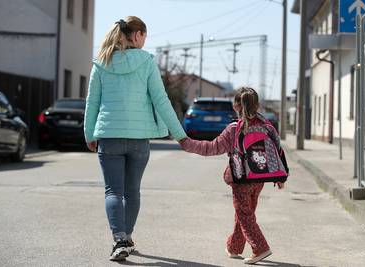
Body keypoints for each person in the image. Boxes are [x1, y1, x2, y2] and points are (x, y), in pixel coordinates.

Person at [84, 16, 187, 261]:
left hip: (109, 137)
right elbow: (161, 101)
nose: (145, 41)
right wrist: (180, 135)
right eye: (145, 36)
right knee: (132, 192)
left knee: (112, 192)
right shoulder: (147, 62)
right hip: (139, 139)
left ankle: (120, 239)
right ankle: (126, 238)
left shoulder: (101, 63)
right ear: (137, 35)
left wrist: (89, 134)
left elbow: (92, 103)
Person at [179, 87, 285, 265]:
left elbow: (211, 148)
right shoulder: (267, 126)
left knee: (244, 214)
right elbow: (277, 151)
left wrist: (186, 143)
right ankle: (234, 247)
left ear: (236, 106)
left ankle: (260, 248)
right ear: (257, 105)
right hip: (259, 178)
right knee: (245, 213)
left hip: (241, 178)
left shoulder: (234, 129)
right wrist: (280, 177)